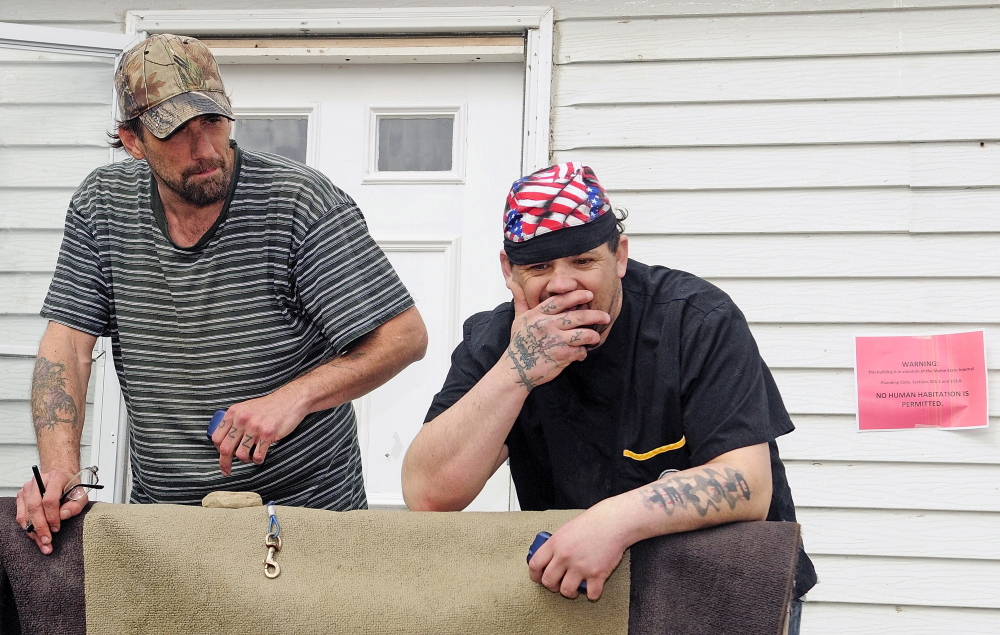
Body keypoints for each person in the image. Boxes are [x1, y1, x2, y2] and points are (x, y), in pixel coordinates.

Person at [17, 34, 427, 555]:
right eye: (176, 133)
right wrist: (58, 470)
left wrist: (291, 398)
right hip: (169, 526)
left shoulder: (300, 202)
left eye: (213, 121)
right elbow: (68, 346)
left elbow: (404, 336)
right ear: (132, 140)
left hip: (307, 520)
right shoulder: (102, 206)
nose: (206, 150)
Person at [401, 163, 815, 631]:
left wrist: (613, 521)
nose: (561, 284)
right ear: (508, 271)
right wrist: (517, 372)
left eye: (583, 261)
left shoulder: (697, 319)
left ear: (618, 255)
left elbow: (748, 484)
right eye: (539, 266)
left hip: (724, 586)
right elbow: (429, 493)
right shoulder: (496, 342)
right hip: (584, 597)